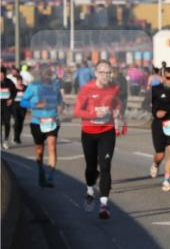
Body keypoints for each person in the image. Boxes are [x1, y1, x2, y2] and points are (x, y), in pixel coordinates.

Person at [74, 60, 126, 220]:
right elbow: (77, 111)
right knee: (91, 167)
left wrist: (117, 111)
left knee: (105, 166)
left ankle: (104, 204)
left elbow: (117, 103)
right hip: (89, 132)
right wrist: (94, 114)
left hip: (107, 131)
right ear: (96, 73)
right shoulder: (86, 89)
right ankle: (90, 191)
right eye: (102, 72)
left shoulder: (114, 87)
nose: (105, 75)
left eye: (108, 72)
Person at [20, 66, 63, 187]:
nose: (48, 76)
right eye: (46, 74)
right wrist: (35, 105)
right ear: (42, 75)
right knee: (39, 149)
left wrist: (61, 106)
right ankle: (41, 170)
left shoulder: (55, 86)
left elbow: (60, 100)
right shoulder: (33, 86)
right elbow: (23, 102)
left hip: (52, 121)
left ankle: (50, 177)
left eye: (50, 74)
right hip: (37, 122)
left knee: (52, 146)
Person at [1, 66, 16, 150]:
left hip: (6, 106)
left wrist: (11, 99)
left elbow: (14, 92)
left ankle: (5, 140)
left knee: (7, 123)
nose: (1, 77)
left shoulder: (9, 82)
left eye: (2, 75)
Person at [10, 72, 27, 144]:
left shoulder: (25, 87)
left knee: (21, 122)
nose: (20, 82)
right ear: (17, 81)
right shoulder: (13, 88)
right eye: (18, 81)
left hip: (23, 106)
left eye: (20, 81)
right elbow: (10, 96)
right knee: (17, 120)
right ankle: (15, 137)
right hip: (15, 106)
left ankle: (18, 137)